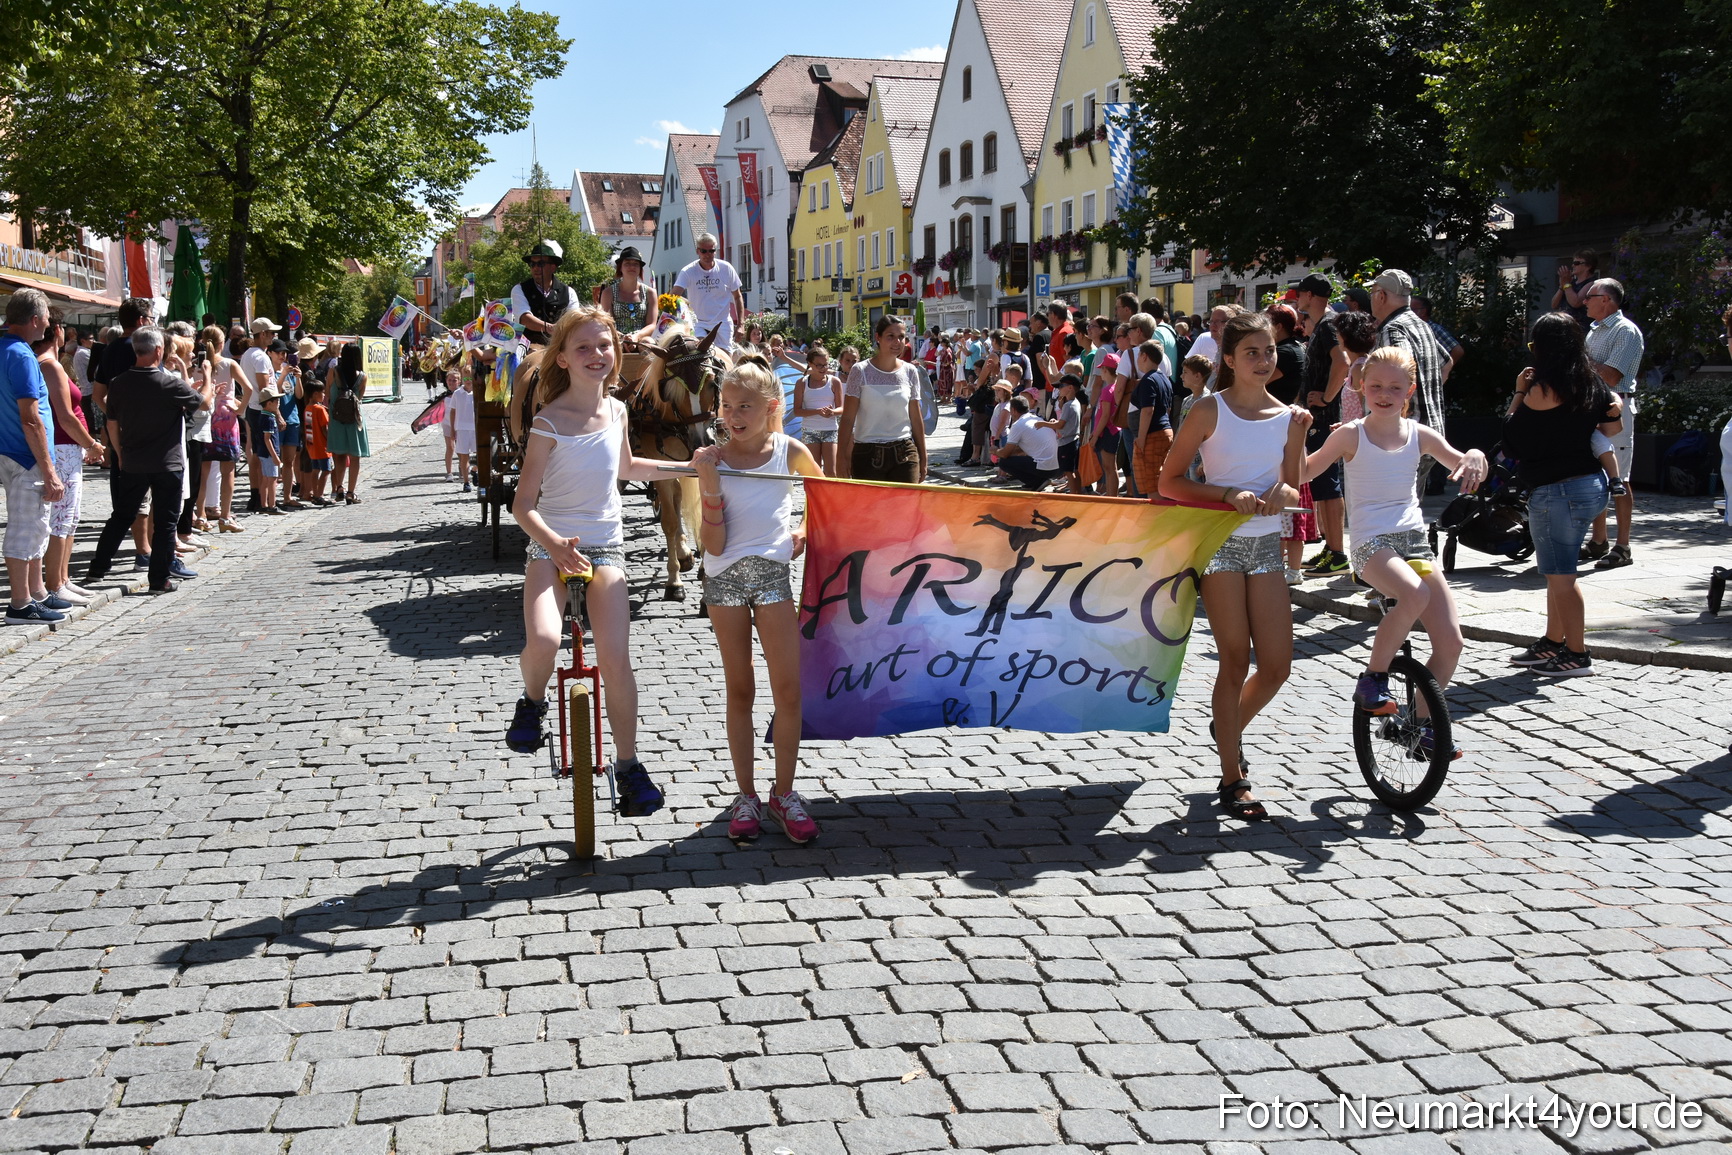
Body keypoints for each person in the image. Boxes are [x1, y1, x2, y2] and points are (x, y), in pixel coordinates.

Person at [506, 306, 667, 815]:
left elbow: (629, 465)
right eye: (583, 348)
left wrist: (693, 466)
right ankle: (532, 701)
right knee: (546, 639)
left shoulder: (617, 411)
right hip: (550, 544)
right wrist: (553, 545)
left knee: (616, 657)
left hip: (605, 548)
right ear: (563, 359)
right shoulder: (549, 421)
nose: (596, 355)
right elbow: (522, 505)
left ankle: (628, 766)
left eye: (604, 346)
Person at [1300, 347, 1486, 753]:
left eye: (1395, 387)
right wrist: (1294, 437)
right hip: (1372, 544)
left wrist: (1476, 456)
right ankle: (1372, 679)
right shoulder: (1351, 433)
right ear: (1361, 387)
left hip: (1414, 542)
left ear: (1410, 392)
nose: (1384, 394)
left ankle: (1414, 726)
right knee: (1414, 594)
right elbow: (1304, 471)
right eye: (1376, 386)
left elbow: (1461, 461)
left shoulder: (1419, 434)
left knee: (1451, 643)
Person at [1158, 312, 1305, 820]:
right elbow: (1169, 482)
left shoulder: (1289, 417)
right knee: (1235, 661)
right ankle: (1232, 777)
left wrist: (1284, 481)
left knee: (1278, 666)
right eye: (1252, 353)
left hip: (1265, 548)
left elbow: (1292, 488)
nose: (1264, 361)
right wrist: (1226, 493)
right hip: (1218, 545)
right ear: (1229, 359)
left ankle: (1227, 728)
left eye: (1269, 352)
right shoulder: (1207, 410)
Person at [690, 353, 825, 844]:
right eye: (726, 406)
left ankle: (783, 793)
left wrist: (805, 528)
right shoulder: (713, 457)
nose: (732, 416)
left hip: (773, 578)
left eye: (744, 406)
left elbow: (827, 493)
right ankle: (745, 794)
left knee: (788, 690)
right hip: (723, 581)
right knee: (740, 690)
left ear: (771, 407)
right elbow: (715, 545)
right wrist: (708, 486)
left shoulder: (788, 450)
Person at [1502, 312, 1622, 677]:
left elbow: (1510, 440)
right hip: (1590, 484)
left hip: (1557, 492)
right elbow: (1612, 429)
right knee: (1556, 571)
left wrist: (1518, 392)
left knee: (1562, 577)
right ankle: (1553, 642)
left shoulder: (1540, 388)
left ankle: (1577, 653)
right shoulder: (1592, 383)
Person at [85, 327, 212, 593]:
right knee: (166, 524)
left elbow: (111, 422)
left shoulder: (119, 383)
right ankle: (159, 580)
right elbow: (204, 403)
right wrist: (208, 376)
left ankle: (98, 568)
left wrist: (119, 454)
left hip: (133, 461)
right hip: (167, 463)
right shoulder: (169, 383)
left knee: (121, 515)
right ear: (158, 350)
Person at [1, 289, 70, 624]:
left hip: (11, 451)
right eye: (45, 316)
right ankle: (19, 603)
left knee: (33, 527)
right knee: (26, 528)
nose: (48, 322)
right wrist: (49, 469)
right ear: (33, 319)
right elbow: (31, 418)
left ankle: (35, 593)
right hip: (25, 456)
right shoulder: (22, 355)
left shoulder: (6, 349)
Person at [37, 310, 105, 606]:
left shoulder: (53, 363)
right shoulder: (49, 365)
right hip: (63, 446)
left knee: (70, 517)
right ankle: (54, 582)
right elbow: (65, 416)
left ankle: (62, 578)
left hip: (69, 447)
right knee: (61, 518)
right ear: (57, 331)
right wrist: (91, 443)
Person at [1580, 278, 1645, 570]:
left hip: (1616, 409)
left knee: (1620, 477)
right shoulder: (1595, 330)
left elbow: (1611, 376)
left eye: (1590, 296)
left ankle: (1623, 546)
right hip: (1593, 407)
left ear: (1606, 299)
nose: (1584, 301)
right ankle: (1599, 541)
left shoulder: (1625, 331)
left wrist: (1576, 360)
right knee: (1596, 474)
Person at [1293, 273, 1349, 576]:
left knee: (1327, 484)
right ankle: (1332, 549)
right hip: (1320, 415)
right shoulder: (1326, 324)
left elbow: (1342, 362)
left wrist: (1327, 398)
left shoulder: (1327, 325)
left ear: (1310, 295)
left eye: (1300, 293)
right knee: (1322, 484)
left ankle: (1338, 553)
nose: (1298, 299)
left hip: (1323, 418)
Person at [1369, 269, 1446, 491]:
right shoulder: (1421, 325)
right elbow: (1446, 361)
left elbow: (1396, 380)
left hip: (1403, 438)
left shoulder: (1393, 329)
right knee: (1409, 511)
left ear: (1381, 295)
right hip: (1430, 431)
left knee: (1392, 512)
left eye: (1373, 292)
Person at [837, 316, 927, 483]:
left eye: (901, 337)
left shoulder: (910, 371)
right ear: (878, 338)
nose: (897, 342)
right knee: (871, 509)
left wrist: (923, 456)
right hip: (867, 453)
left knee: (905, 508)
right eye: (890, 336)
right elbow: (848, 418)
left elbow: (916, 416)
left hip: (904, 452)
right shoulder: (860, 371)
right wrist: (841, 457)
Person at [199, 325, 248, 532]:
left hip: (204, 418)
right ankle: (225, 517)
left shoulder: (199, 365)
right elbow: (250, 388)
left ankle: (200, 515)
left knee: (203, 471)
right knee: (229, 472)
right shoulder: (229, 364)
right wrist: (240, 409)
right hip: (226, 419)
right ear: (222, 344)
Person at [239, 318, 283, 512]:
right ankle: (265, 500)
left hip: (253, 408)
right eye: (271, 333)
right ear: (262, 334)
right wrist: (278, 414)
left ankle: (257, 496)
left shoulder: (248, 355)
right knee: (265, 455)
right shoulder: (261, 357)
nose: (274, 336)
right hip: (261, 409)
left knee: (256, 454)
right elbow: (266, 390)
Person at [672, 233, 744, 352]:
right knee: (701, 354)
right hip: (699, 323)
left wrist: (741, 325)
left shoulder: (726, 268)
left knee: (725, 360)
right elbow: (673, 297)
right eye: (703, 251)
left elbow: (737, 296)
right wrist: (686, 304)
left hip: (723, 323)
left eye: (711, 251)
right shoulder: (688, 271)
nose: (707, 255)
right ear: (697, 251)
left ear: (715, 251)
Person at [1130, 339, 1175, 498]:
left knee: (1152, 484)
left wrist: (1141, 438)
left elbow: (1148, 410)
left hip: (1152, 434)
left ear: (1144, 356)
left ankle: (1156, 520)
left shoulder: (1148, 380)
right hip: (1165, 431)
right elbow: (1168, 409)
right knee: (1160, 481)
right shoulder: (1164, 378)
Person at [511, 240, 578, 347]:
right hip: (529, 346)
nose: (535, 268)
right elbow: (525, 319)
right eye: (532, 264)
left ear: (553, 267)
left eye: (540, 264)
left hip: (560, 346)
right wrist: (551, 328)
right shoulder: (519, 289)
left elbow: (574, 320)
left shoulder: (569, 292)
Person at [326, 343, 370, 503]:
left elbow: (327, 395)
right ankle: (351, 492)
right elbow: (360, 398)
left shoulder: (334, 372)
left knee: (339, 455)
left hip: (336, 418)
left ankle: (339, 487)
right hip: (354, 419)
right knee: (355, 457)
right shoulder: (362, 376)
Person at [792, 342, 841, 475]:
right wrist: (818, 412)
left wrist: (832, 412)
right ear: (810, 364)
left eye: (826, 364)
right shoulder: (802, 383)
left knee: (831, 472)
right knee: (814, 471)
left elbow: (841, 408)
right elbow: (797, 411)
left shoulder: (834, 382)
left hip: (830, 430)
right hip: (810, 430)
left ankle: (830, 496)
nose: (823, 368)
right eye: (819, 365)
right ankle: (813, 496)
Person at [996, 394, 1061, 490]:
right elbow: (1019, 450)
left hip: (1047, 468)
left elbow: (1005, 454)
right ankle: (1035, 481)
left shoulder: (1018, 424)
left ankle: (1037, 482)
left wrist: (995, 451)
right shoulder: (1036, 418)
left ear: (1013, 410)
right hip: (1058, 468)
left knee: (1004, 462)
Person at [597, 246, 660, 341]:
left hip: (641, 338)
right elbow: (606, 323)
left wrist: (636, 337)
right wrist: (622, 337)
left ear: (640, 269)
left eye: (635, 264)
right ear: (620, 268)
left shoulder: (650, 293)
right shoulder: (608, 293)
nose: (632, 267)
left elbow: (651, 324)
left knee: (649, 343)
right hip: (615, 337)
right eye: (627, 263)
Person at [1411, 295, 1464, 383]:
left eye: (1411, 309)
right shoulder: (1412, 329)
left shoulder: (1434, 329)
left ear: (1423, 311)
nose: (1406, 313)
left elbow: (1458, 351)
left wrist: (1442, 373)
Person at [252, 385, 284, 514]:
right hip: (269, 453)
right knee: (272, 479)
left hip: (263, 452)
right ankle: (272, 505)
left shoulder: (264, 415)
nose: (278, 403)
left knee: (266, 478)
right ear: (269, 403)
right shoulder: (269, 418)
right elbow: (267, 439)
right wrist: (275, 456)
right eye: (276, 401)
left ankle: (264, 504)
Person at [301, 380, 334, 505]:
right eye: (323, 392)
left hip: (312, 446)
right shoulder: (320, 410)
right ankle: (320, 495)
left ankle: (314, 493)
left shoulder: (307, 408)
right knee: (326, 470)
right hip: (322, 446)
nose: (324, 395)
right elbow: (324, 428)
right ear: (315, 394)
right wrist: (330, 442)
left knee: (315, 470)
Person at [1551, 250, 1598, 327]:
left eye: (1577, 263)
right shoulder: (1570, 283)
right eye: (1573, 263)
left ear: (1588, 266)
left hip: (1581, 328)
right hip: (1565, 326)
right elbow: (1554, 305)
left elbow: (1576, 303)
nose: (1573, 266)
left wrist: (1566, 284)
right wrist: (1561, 286)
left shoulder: (1592, 283)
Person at [448, 367, 477, 492]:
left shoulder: (477, 393)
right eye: (465, 378)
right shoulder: (457, 394)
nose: (468, 381)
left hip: (475, 428)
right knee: (464, 457)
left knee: (479, 455)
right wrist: (453, 429)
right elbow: (453, 412)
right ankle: (466, 481)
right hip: (462, 428)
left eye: (470, 378)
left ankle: (475, 471)